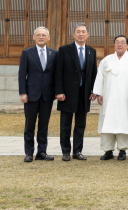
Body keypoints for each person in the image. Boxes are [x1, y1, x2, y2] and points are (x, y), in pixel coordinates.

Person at [93, 35, 128, 161]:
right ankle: (108, 150)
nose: (120, 44)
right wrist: (99, 93)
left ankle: (122, 150)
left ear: (127, 45)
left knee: (123, 123)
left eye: (122, 42)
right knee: (107, 122)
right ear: (114, 45)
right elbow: (100, 77)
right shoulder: (107, 60)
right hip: (108, 97)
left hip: (126, 98)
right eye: (117, 42)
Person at [55, 23, 97, 161]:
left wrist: (94, 91)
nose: (81, 34)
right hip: (67, 94)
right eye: (78, 32)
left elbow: (93, 73)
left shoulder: (91, 51)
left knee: (80, 124)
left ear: (87, 34)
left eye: (83, 32)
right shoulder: (64, 50)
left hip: (84, 94)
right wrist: (59, 91)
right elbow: (58, 72)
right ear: (73, 34)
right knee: (65, 124)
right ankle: (66, 151)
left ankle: (77, 151)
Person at [18, 27, 58, 163]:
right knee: (29, 125)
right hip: (31, 94)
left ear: (48, 37)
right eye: (38, 35)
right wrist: (23, 92)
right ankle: (29, 152)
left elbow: (56, 76)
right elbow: (22, 74)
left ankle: (42, 152)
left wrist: (57, 92)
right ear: (33, 37)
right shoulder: (27, 53)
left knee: (44, 125)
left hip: (47, 95)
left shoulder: (54, 53)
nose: (41, 37)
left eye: (44, 35)